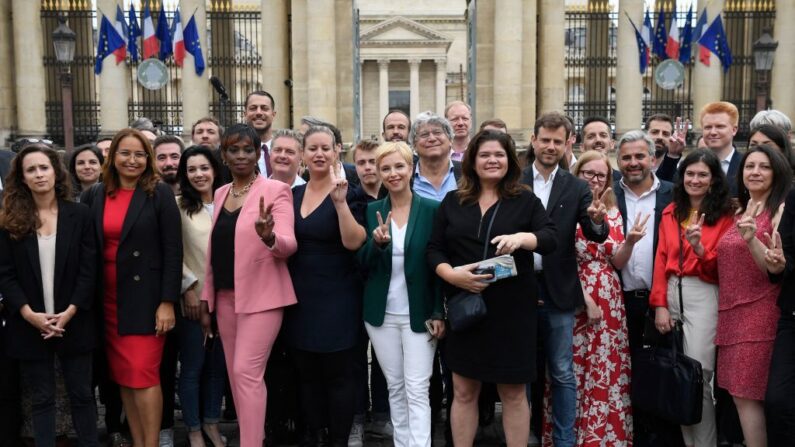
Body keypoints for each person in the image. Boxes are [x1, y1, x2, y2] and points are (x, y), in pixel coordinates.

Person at [427, 130, 557, 447]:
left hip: (512, 313)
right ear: (472, 160)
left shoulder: (525, 199)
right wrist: (452, 275)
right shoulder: (454, 201)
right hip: (466, 310)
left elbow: (551, 237)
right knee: (463, 390)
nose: (492, 160)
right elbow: (434, 249)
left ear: (509, 160)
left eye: (498, 154)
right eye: (484, 154)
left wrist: (523, 239)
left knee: (512, 392)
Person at [81, 128, 182, 447]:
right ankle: (138, 442)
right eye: (125, 153)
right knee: (124, 375)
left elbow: (173, 249)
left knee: (144, 373)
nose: (132, 160)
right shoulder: (96, 193)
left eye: (139, 154)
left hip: (147, 300)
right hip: (108, 300)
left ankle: (150, 443)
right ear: (112, 157)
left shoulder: (159, 192)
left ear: (148, 159)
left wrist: (167, 301)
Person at [199, 124, 297, 447]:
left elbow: (288, 244)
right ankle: (252, 437)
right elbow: (214, 250)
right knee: (236, 375)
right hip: (225, 299)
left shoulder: (275, 190)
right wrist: (207, 299)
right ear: (223, 156)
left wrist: (268, 236)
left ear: (258, 153)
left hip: (263, 298)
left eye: (247, 150)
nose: (241, 156)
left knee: (245, 373)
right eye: (233, 150)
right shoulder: (221, 192)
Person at [521, 112, 609, 447]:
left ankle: (564, 441)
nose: (550, 146)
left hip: (559, 289)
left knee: (561, 371)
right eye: (545, 140)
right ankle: (524, 435)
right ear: (534, 139)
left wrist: (598, 222)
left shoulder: (576, 186)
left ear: (569, 143)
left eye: (558, 141)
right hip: (518, 287)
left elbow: (594, 232)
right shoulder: (514, 180)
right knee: (521, 370)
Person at [0, 144, 98, 447]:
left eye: (44, 167)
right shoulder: (10, 219)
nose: (39, 174)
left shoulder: (79, 214)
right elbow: (5, 273)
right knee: (41, 399)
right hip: (29, 324)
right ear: (22, 178)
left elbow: (89, 268)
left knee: (82, 395)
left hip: (75, 320)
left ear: (56, 171)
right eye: (31, 169)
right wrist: (29, 315)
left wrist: (69, 312)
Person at [283, 125, 367, 446]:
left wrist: (341, 202)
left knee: (338, 376)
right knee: (307, 374)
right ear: (303, 154)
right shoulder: (292, 195)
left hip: (338, 296)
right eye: (312, 148)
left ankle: (339, 440)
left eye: (325, 148)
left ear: (336, 152)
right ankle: (315, 434)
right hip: (300, 296)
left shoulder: (351, 192)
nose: (319, 154)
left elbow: (354, 242)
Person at [358, 142, 444, 447]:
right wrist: (376, 245)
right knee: (395, 386)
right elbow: (362, 264)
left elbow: (438, 265)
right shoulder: (372, 211)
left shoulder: (433, 210)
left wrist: (438, 311)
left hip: (419, 313)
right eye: (386, 168)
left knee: (417, 387)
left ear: (411, 169)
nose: (393, 174)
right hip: (381, 314)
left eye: (399, 166)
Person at [651, 149, 734, 447]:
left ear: (713, 180)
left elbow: (723, 268)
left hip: (704, 292)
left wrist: (700, 249)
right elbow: (660, 261)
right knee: (679, 379)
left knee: (698, 377)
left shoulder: (726, 216)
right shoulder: (670, 211)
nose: (695, 180)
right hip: (672, 291)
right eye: (690, 173)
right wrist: (659, 304)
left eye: (702, 174)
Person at [558, 150, 640, 445]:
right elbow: (562, 258)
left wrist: (629, 242)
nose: (594, 180)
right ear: (576, 174)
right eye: (588, 173)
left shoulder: (614, 212)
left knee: (607, 367)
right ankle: (575, 435)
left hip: (610, 298)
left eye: (601, 175)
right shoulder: (565, 207)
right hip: (573, 291)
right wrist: (585, 299)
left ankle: (606, 437)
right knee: (574, 368)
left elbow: (617, 262)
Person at [716, 145, 792, 447]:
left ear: (777, 173)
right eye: (750, 166)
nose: (755, 172)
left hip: (760, 314)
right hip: (730, 316)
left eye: (764, 167)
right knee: (741, 399)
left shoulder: (780, 210)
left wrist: (751, 241)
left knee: (747, 398)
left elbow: (771, 269)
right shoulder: (738, 210)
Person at [175, 146, 227, 447]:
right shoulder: (178, 206)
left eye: (204, 168)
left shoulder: (229, 200)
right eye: (192, 169)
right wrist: (189, 288)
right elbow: (173, 251)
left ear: (215, 170)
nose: (199, 174)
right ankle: (193, 428)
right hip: (194, 299)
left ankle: (211, 422)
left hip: (228, 299)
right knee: (193, 367)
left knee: (217, 369)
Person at [763, 187, 795, 444]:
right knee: (777, 400)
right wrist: (779, 265)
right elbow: (785, 255)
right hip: (792, 316)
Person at [410, 112, 460, 202]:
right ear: (414, 145)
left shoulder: (468, 173)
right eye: (424, 135)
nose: (432, 139)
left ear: (450, 140)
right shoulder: (405, 177)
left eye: (437, 132)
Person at [700, 102, 741, 196]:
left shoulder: (745, 165)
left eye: (720, 126)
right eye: (708, 127)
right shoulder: (690, 164)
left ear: (734, 130)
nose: (713, 132)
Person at [244, 90, 277, 177]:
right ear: (245, 114)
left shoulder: (284, 150)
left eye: (264, 108)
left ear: (273, 114)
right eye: (253, 108)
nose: (258, 112)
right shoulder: (236, 152)